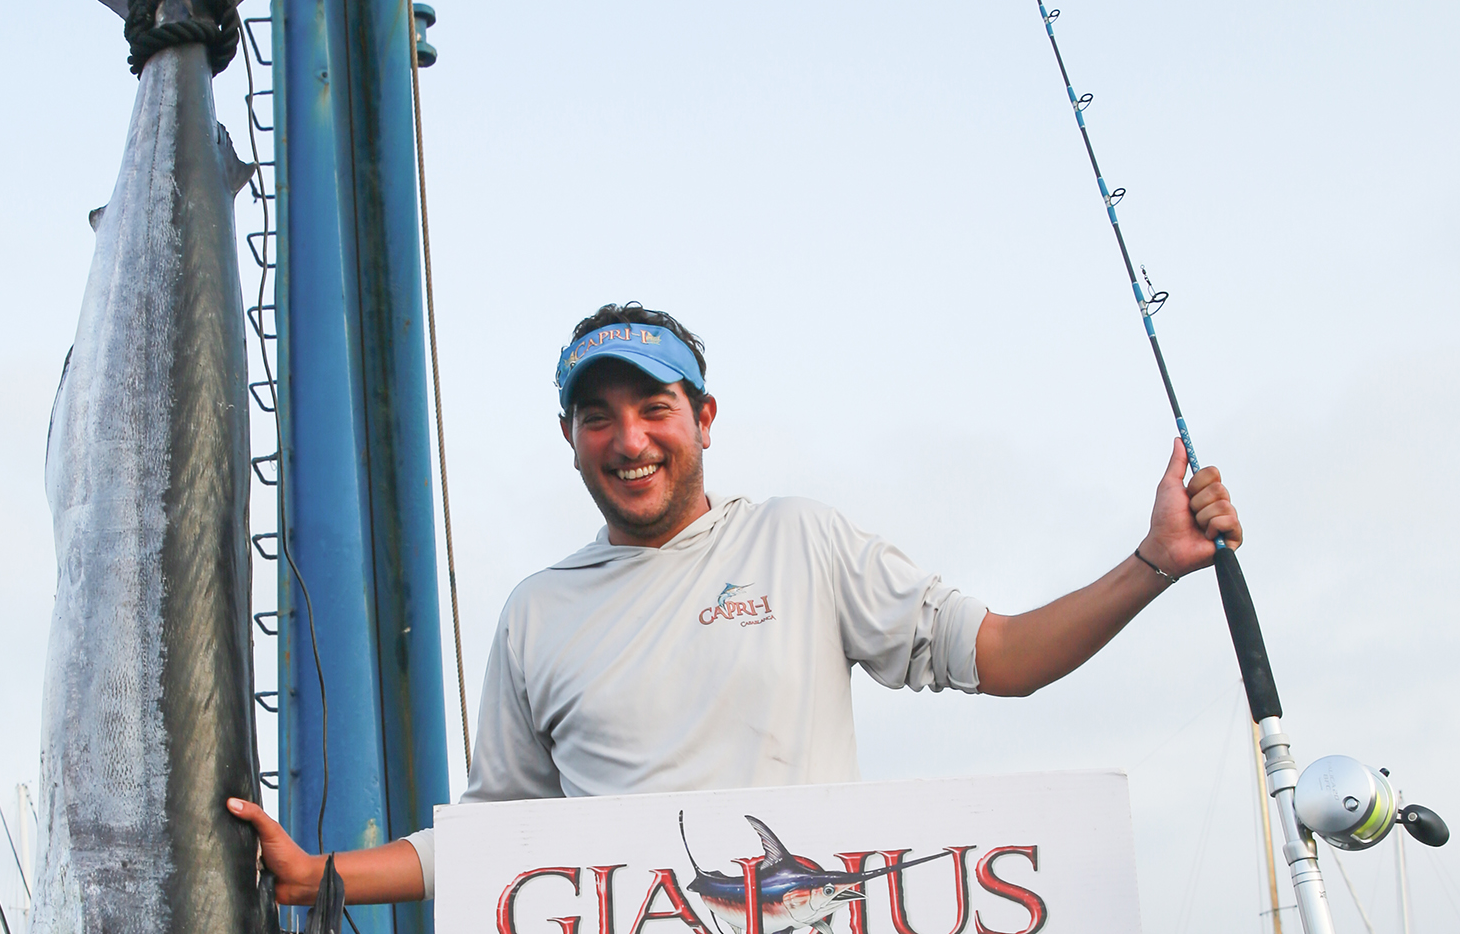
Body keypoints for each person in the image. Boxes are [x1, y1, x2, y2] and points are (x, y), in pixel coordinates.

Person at [228, 300, 1242, 899]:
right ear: (570, 436)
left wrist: (1150, 561)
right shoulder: (536, 611)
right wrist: (319, 874)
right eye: (597, 418)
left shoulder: (797, 539)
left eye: (653, 409)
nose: (629, 441)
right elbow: (502, 841)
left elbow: (1003, 656)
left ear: (703, 418)